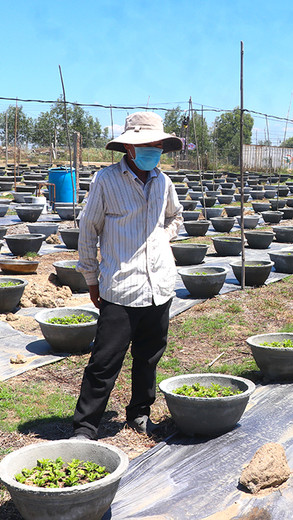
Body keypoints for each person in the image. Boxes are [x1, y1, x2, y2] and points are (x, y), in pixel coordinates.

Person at [72, 111, 184, 440]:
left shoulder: (164, 182)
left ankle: (140, 413)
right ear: (130, 148)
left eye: (158, 145)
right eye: (147, 144)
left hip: (159, 286)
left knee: (149, 356)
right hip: (121, 286)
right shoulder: (106, 180)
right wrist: (91, 278)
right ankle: (85, 426)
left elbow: (176, 216)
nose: (154, 150)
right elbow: (88, 231)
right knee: (105, 361)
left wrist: (163, 236)